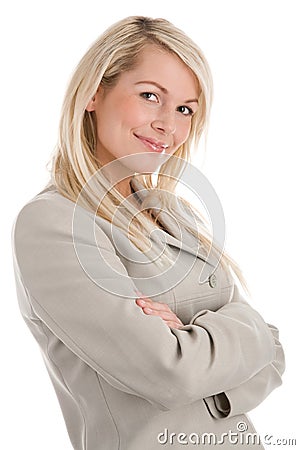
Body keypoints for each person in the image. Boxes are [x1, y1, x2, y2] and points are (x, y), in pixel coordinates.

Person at [11, 16, 285, 450]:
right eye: (150, 96)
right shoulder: (52, 223)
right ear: (93, 94)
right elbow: (170, 374)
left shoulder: (176, 214)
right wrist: (235, 337)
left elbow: (274, 356)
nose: (168, 125)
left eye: (184, 109)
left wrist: (202, 340)